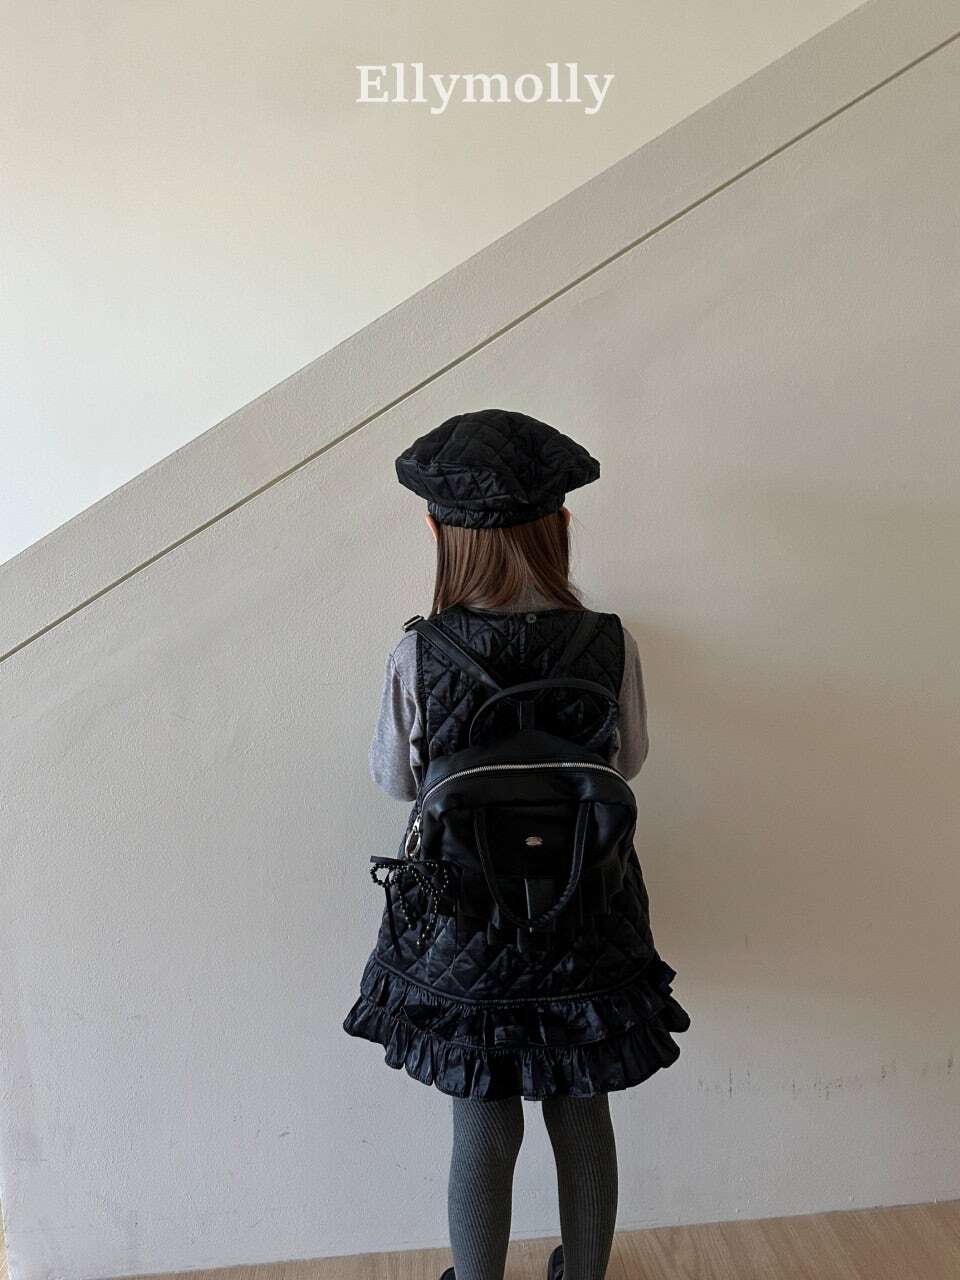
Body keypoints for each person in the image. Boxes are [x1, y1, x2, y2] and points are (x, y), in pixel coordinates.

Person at [342, 408, 691, 1280]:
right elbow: (629, 762)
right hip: (587, 910)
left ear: (438, 535)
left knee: (483, 1120)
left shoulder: (419, 654)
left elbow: (395, 781)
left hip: (467, 924)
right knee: (583, 1111)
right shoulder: (609, 642)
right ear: (560, 525)